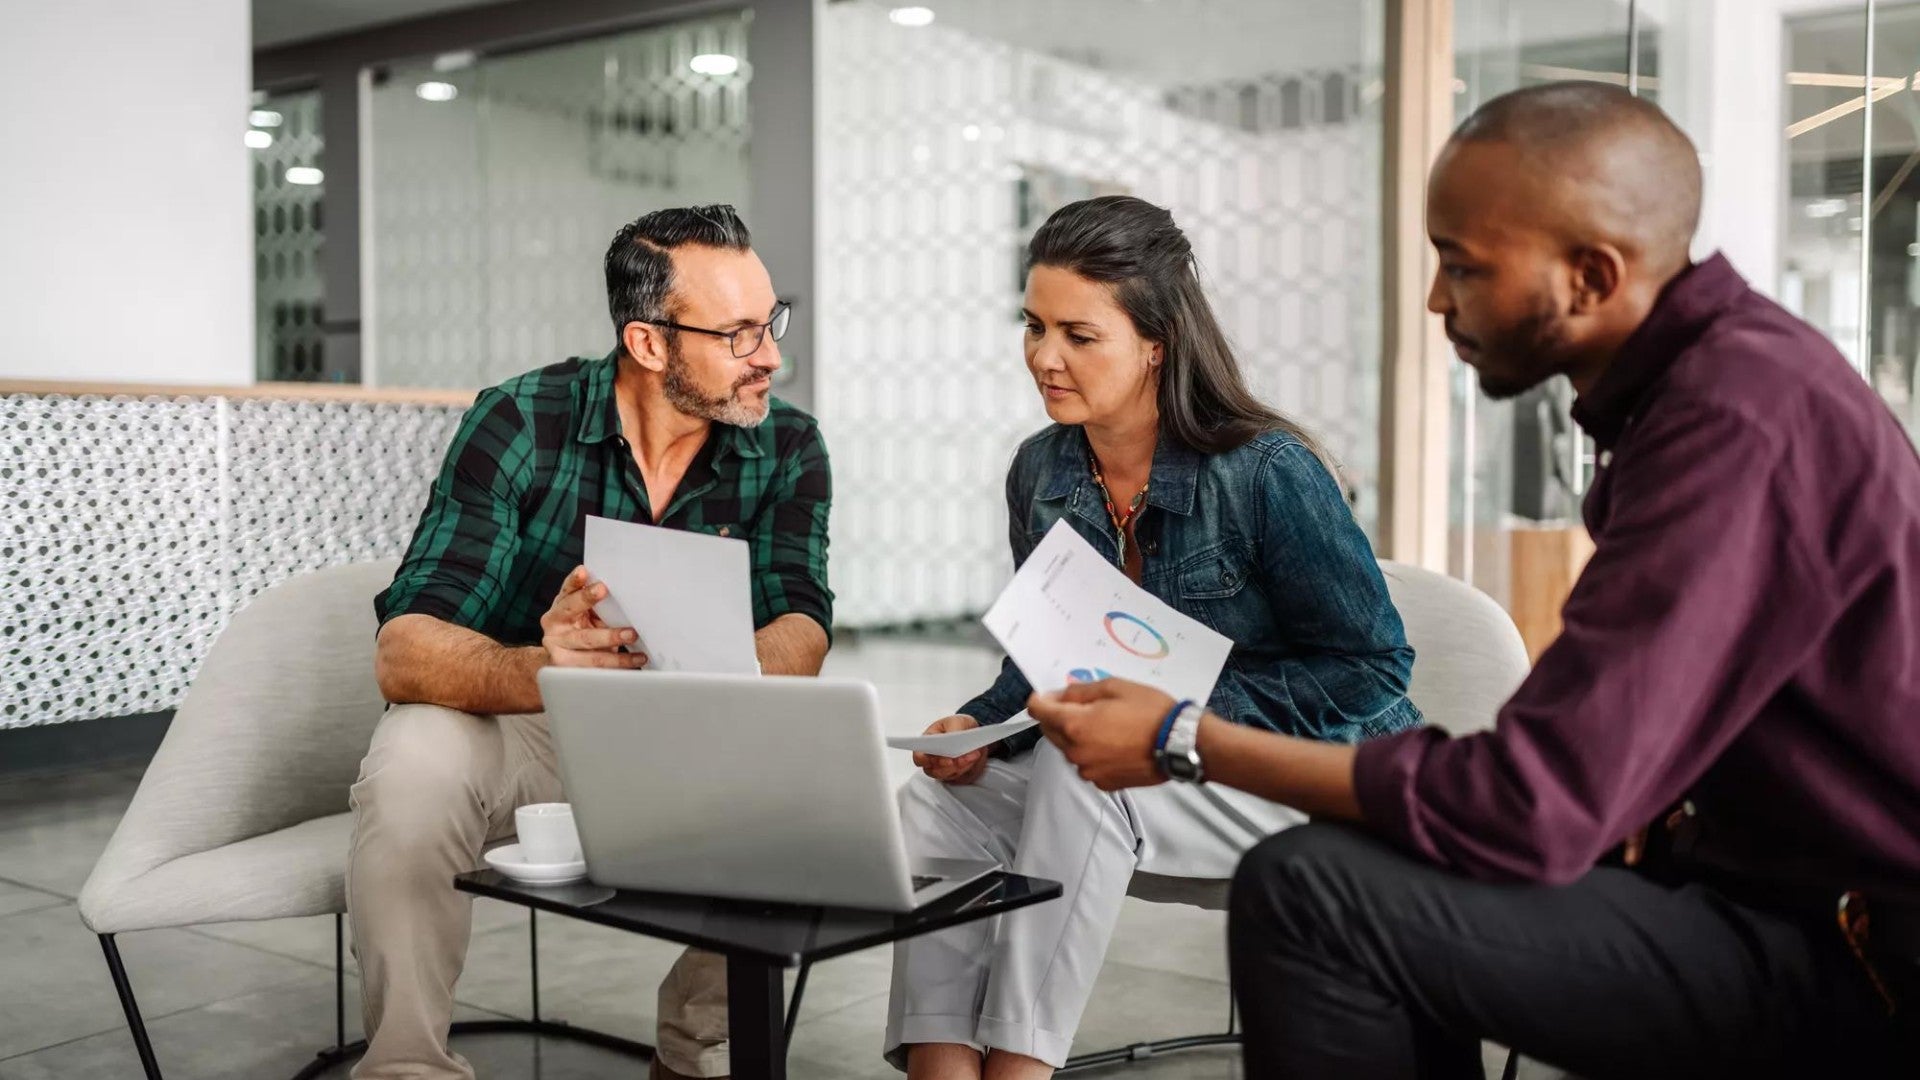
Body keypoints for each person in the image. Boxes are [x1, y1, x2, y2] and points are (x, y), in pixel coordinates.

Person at [1028, 83, 1920, 1078]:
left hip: (1855, 955)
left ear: (1590, 277)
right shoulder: (1714, 390)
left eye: (1464, 266)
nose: (1437, 300)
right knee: (1360, 868)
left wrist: (1180, 737)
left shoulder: (1736, 423)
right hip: (1756, 889)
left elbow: (1533, 805)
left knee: (1310, 893)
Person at [885, 195, 1421, 1079]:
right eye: (1033, 326)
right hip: (1150, 777)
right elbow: (1042, 657)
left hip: (1297, 773)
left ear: (1156, 343)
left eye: (1078, 335)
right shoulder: (1042, 470)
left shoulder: (1266, 471)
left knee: (1080, 772)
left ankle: (1022, 1069)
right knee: (938, 805)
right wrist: (975, 723)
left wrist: (1171, 717)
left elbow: (1371, 671)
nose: (1043, 358)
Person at [351, 204, 832, 1080]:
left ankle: (693, 1050)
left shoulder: (788, 445)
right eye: (738, 334)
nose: (771, 355)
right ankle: (405, 1068)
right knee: (413, 757)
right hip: (528, 725)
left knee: (818, 781)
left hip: (691, 731)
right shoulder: (519, 420)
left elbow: (804, 625)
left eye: (771, 323)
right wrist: (542, 665)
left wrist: (711, 664)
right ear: (649, 344)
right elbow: (405, 650)